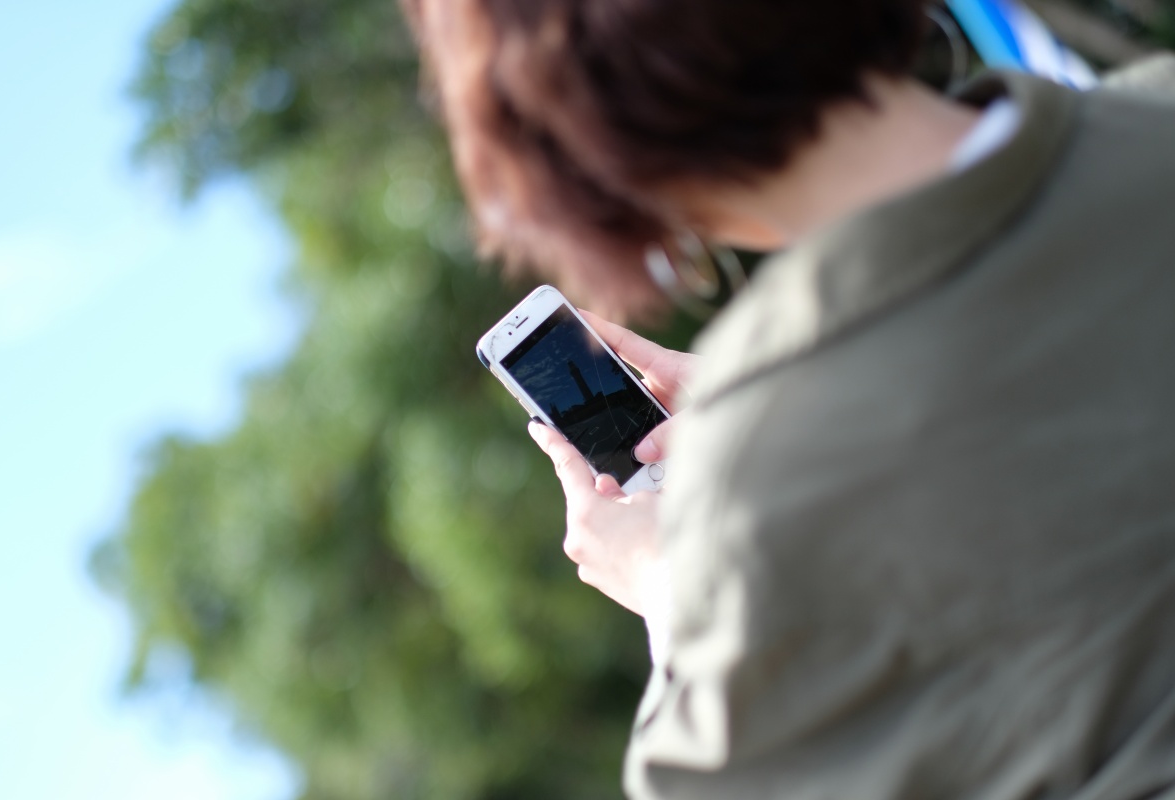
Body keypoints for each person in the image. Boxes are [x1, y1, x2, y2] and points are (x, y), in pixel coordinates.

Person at [402, 1, 1175, 797]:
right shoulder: (1158, 105)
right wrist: (785, 404)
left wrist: (665, 580)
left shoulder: (760, 487)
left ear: (607, 148)